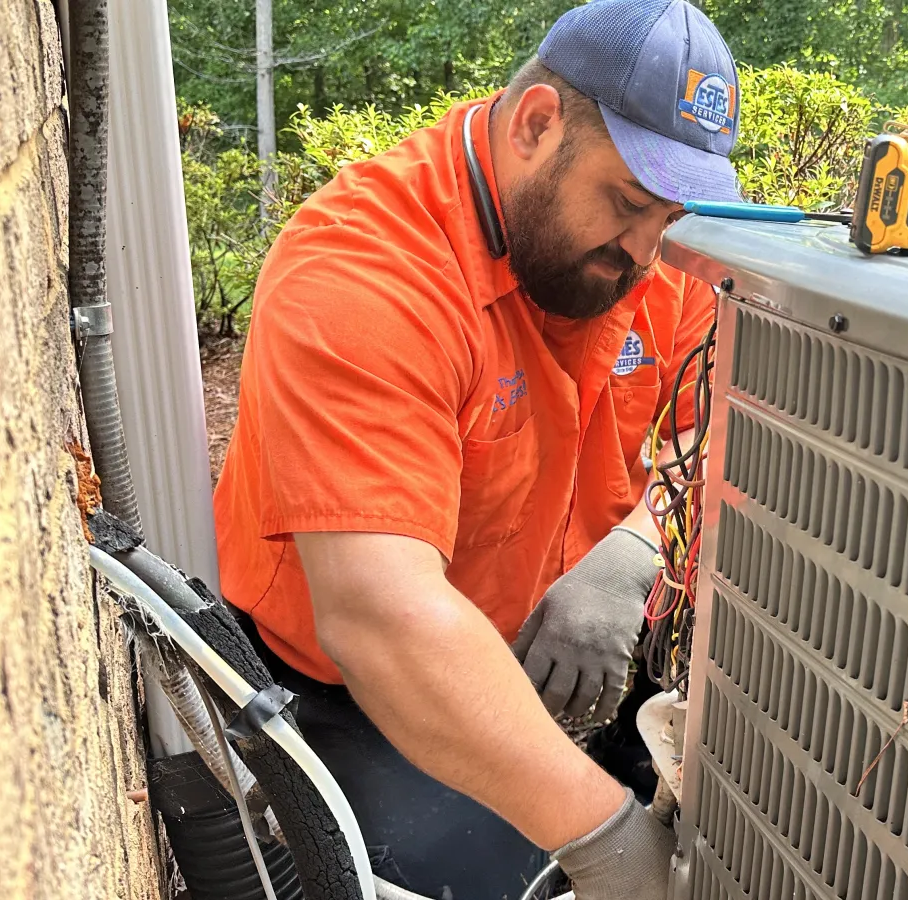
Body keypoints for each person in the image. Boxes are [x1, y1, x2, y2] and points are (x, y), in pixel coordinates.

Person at [210, 1, 743, 897]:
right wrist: (607, 839)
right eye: (628, 202)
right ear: (536, 123)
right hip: (354, 685)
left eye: (674, 216)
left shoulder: (635, 257)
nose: (650, 252)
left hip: (540, 627)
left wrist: (636, 546)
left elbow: (707, 425)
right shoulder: (365, 274)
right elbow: (386, 620)